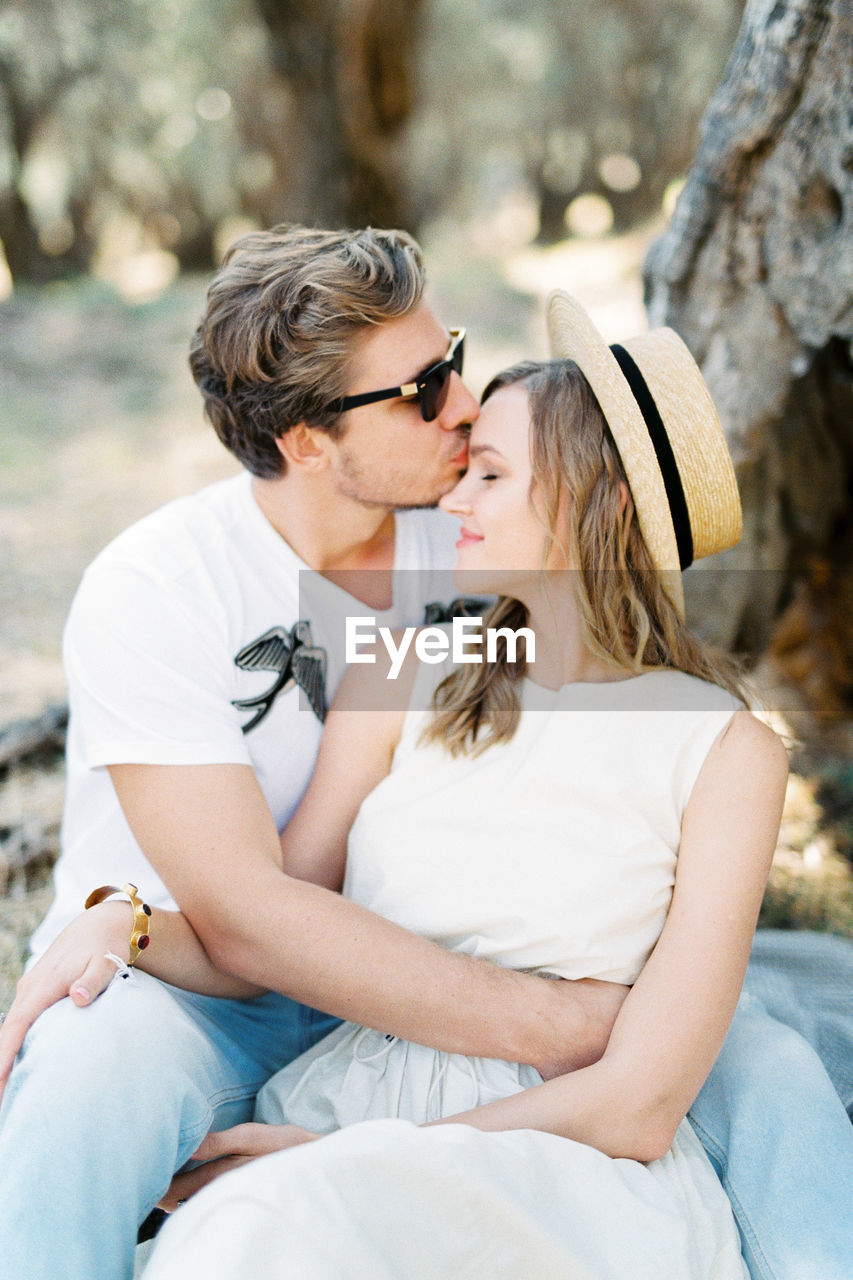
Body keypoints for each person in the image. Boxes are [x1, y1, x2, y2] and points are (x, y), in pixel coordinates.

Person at [0, 233, 851, 1279]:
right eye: (424, 391)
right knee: (94, 1095)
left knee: (767, 1067)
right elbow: (254, 910)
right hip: (251, 999)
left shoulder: (489, 593)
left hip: (522, 1044)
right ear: (311, 439)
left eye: (452, 362)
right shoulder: (174, 589)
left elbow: (583, 689)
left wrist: (593, 1034)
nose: (456, 411)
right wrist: (122, 919)